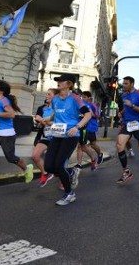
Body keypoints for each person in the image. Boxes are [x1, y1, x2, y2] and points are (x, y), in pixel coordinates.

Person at [42, 74, 92, 205]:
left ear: (69, 84)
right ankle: (71, 171)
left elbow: (88, 114)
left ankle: (69, 193)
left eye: (61, 81)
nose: (58, 82)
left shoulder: (75, 98)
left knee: (59, 164)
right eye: (57, 80)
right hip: (57, 135)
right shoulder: (55, 99)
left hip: (70, 135)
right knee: (48, 166)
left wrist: (77, 127)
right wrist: (48, 120)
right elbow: (55, 113)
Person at [116, 76, 139, 183]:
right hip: (127, 124)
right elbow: (125, 109)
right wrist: (121, 113)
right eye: (124, 83)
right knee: (119, 145)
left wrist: (132, 105)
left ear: (132, 84)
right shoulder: (123, 95)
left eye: (126, 83)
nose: (124, 85)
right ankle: (126, 172)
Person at [32, 89, 57, 187]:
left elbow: (57, 124)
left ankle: (66, 179)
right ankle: (45, 173)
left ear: (55, 97)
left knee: (57, 164)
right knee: (35, 156)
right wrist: (38, 122)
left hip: (57, 138)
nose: (46, 96)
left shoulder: (59, 109)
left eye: (49, 94)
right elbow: (40, 123)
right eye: (46, 94)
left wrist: (42, 120)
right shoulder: (42, 108)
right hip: (45, 136)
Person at [74, 91, 102, 172]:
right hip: (80, 127)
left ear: (89, 98)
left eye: (85, 97)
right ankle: (79, 164)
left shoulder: (92, 105)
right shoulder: (79, 104)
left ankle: (98, 155)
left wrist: (90, 113)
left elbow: (97, 116)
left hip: (90, 127)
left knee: (91, 144)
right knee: (80, 146)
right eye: (82, 97)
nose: (83, 98)